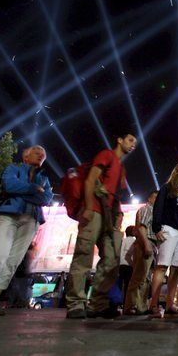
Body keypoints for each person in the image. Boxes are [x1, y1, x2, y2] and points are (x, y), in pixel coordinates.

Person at [0, 145, 53, 316]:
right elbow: (10, 185)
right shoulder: (13, 168)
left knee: (12, 261)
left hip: (31, 220)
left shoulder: (44, 177)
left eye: (43, 154)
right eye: (37, 152)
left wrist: (26, 190)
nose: (41, 155)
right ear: (25, 156)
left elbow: (46, 198)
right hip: (8, 215)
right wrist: (34, 189)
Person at [65, 132, 137, 319]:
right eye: (129, 140)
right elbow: (91, 180)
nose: (132, 144)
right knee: (84, 255)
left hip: (110, 216)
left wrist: (118, 217)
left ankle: (98, 304)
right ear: (119, 139)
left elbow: (115, 195)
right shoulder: (107, 155)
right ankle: (76, 303)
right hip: (95, 210)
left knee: (112, 260)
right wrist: (88, 207)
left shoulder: (122, 167)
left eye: (135, 143)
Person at [149, 162, 178, 317]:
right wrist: (157, 228)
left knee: (176, 268)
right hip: (169, 229)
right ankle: (153, 305)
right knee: (162, 266)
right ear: (176, 171)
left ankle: (169, 306)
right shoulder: (167, 188)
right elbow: (158, 207)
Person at [124, 190, 158, 315]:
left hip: (149, 243)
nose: (157, 200)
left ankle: (140, 306)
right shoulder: (147, 209)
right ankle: (131, 306)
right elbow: (142, 227)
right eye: (155, 198)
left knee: (145, 277)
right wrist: (146, 244)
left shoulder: (152, 210)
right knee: (139, 276)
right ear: (149, 198)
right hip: (145, 243)